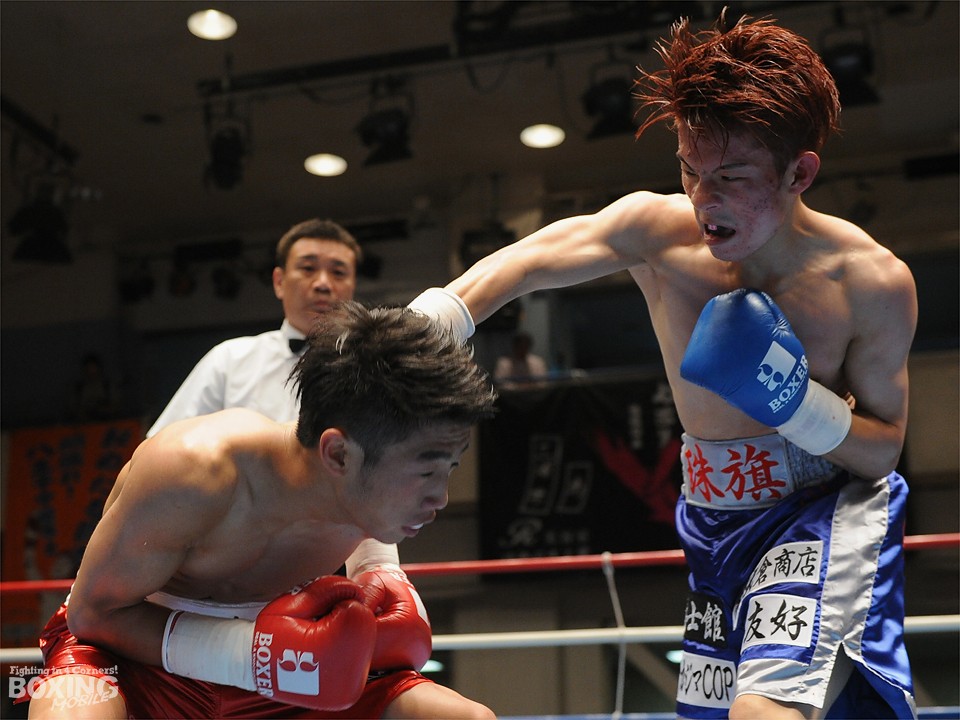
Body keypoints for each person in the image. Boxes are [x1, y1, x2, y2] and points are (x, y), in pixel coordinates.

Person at [414, 12, 918, 720]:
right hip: (712, 521)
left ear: (799, 173)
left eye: (731, 176)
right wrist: (427, 323)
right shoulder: (659, 236)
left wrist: (797, 404)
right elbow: (531, 260)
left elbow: (884, 449)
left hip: (821, 514)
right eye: (689, 169)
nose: (704, 199)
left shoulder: (869, 283)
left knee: (762, 715)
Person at [27, 302, 498, 720]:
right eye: (426, 471)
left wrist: (380, 569)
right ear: (338, 455)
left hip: (289, 666)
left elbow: (486, 285)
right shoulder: (193, 471)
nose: (441, 497)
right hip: (133, 652)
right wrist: (249, 657)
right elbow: (92, 615)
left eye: (450, 468)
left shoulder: (387, 406)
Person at [147, 218, 361, 433]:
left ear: (353, 285)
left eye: (338, 272)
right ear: (279, 282)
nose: (323, 283)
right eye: (308, 268)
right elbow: (161, 443)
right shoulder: (229, 361)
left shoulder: (371, 365)